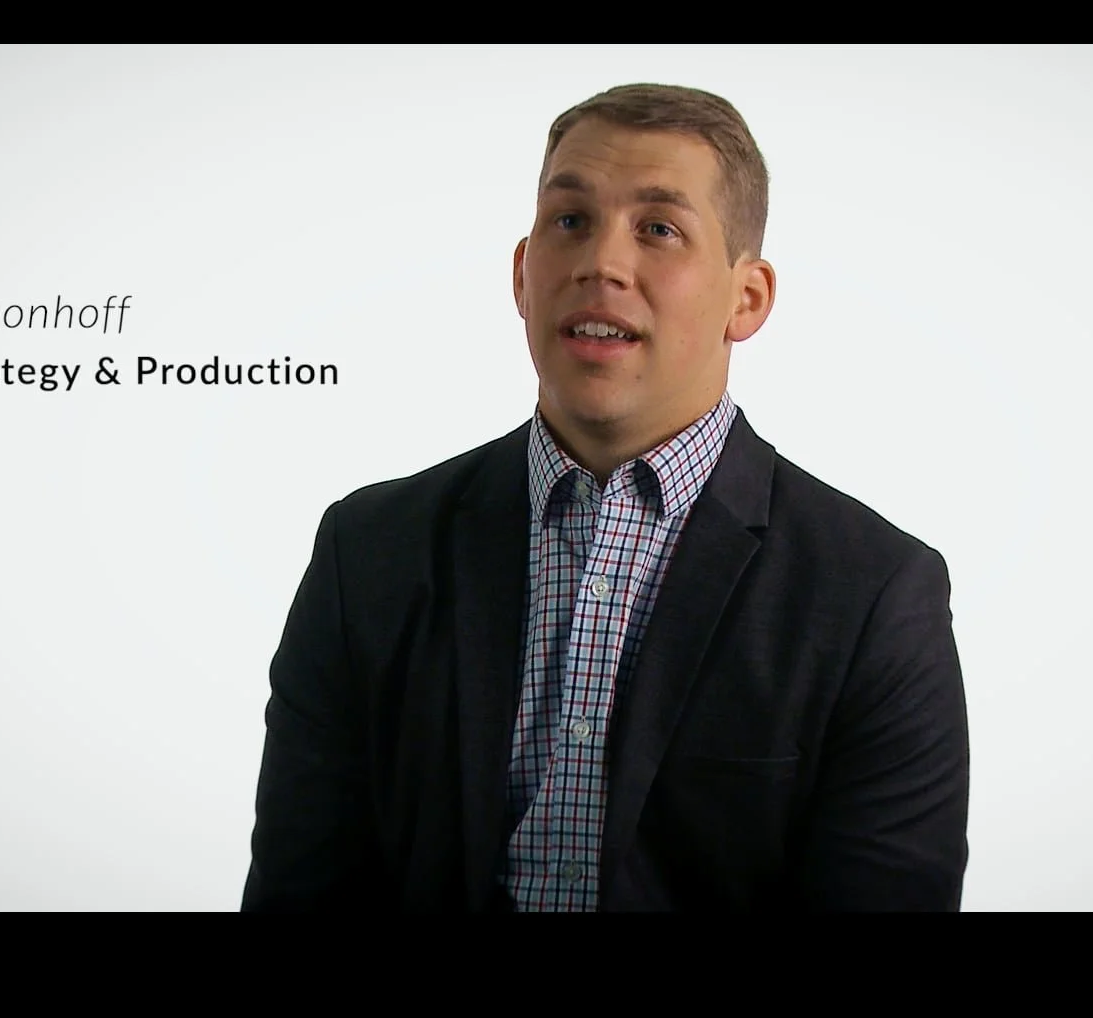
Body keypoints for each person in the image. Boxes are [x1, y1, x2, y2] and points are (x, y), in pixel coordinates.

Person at [241, 83, 969, 912]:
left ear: (748, 297)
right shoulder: (367, 553)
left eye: (659, 229)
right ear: (523, 273)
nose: (601, 264)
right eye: (571, 221)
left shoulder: (874, 594)